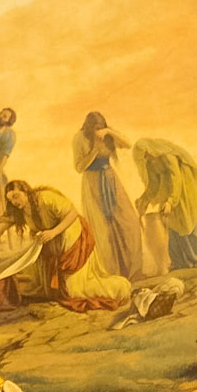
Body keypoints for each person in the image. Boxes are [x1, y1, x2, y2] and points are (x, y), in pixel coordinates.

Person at [0, 179, 129, 310]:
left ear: (25, 190)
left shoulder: (45, 197)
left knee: (75, 291)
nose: (14, 202)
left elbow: (72, 213)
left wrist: (54, 232)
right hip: (52, 244)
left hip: (73, 239)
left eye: (16, 196)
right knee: (43, 286)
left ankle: (121, 288)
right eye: (11, 200)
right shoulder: (17, 210)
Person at [72, 112, 144, 280]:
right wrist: (94, 150)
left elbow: (127, 143)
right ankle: (110, 273)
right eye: (96, 128)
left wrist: (109, 132)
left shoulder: (107, 134)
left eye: (101, 127)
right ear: (89, 127)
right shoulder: (79, 138)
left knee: (129, 221)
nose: (98, 131)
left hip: (111, 180)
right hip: (92, 183)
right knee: (102, 229)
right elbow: (79, 167)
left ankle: (132, 271)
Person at [133, 138, 197, 269]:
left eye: (146, 154)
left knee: (189, 223)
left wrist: (171, 201)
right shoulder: (150, 163)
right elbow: (153, 185)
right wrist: (144, 199)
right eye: (143, 157)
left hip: (185, 190)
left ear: (150, 149)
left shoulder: (167, 155)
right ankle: (181, 262)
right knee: (173, 225)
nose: (146, 158)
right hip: (171, 193)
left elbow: (176, 177)